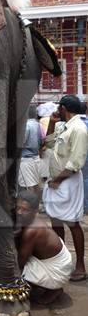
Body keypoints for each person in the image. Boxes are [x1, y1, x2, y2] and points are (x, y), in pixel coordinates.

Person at [42, 94, 88, 281]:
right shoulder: (64, 126)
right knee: (56, 222)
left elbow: (75, 162)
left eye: (58, 109)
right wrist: (52, 123)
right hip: (57, 181)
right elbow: (48, 142)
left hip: (66, 182)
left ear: (63, 108)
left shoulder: (79, 129)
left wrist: (57, 181)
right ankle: (61, 261)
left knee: (72, 223)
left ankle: (80, 266)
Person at [16, 190, 72, 304]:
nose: (19, 212)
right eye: (18, 208)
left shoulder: (32, 230)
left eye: (25, 209)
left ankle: (53, 288)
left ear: (35, 212)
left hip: (57, 271)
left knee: (11, 268)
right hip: (55, 260)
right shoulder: (27, 220)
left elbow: (20, 262)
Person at [18, 104, 44, 195]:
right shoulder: (39, 125)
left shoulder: (26, 125)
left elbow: (21, 142)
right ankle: (36, 206)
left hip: (26, 160)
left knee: (28, 187)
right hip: (36, 158)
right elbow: (42, 141)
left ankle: (31, 207)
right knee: (36, 184)